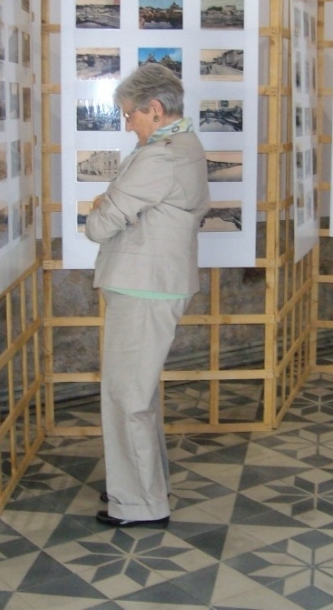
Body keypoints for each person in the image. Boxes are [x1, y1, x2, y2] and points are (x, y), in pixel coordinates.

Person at [83, 63, 210, 529]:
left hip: (144, 286)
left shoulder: (160, 157)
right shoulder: (186, 146)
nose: (127, 124)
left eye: (129, 115)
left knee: (127, 395)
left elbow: (99, 225)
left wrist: (105, 203)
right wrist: (120, 207)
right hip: (155, 283)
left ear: (154, 110)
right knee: (139, 392)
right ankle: (140, 485)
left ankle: (140, 502)